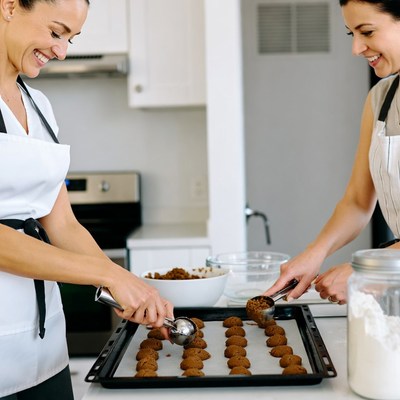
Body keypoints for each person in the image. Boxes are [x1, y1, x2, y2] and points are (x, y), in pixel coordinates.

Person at [0, 1, 173, 398]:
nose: (61, 51)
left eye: (71, 39)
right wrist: (108, 275)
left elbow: (61, 222)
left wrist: (129, 289)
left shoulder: (38, 106)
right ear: (10, 5)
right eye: (56, 32)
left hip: (42, 347)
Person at [264, 0, 400, 306]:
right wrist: (314, 254)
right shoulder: (381, 100)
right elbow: (356, 201)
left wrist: (371, 270)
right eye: (351, 33)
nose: (357, 48)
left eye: (367, 31)